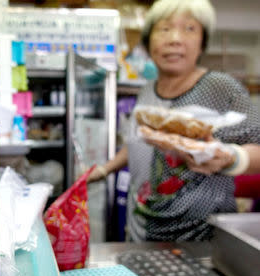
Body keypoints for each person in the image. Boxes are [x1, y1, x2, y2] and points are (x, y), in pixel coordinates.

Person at [87, 0, 260, 241]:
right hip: (141, 228)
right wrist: (104, 170)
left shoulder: (220, 87)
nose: (174, 39)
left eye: (189, 28)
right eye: (164, 29)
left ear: (202, 42)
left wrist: (230, 158)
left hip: (198, 237)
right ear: (148, 41)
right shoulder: (147, 89)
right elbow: (139, 142)